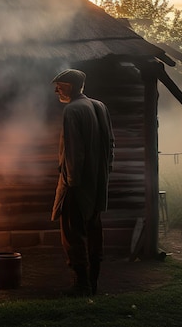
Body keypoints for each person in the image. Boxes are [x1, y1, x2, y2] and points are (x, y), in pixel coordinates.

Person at [50, 68, 114, 296]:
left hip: (76, 185)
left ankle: (82, 284)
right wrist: (104, 174)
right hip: (97, 183)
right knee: (94, 230)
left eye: (59, 85)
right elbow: (111, 145)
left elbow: (73, 151)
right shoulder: (100, 106)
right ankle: (93, 282)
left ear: (69, 86)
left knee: (72, 234)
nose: (56, 89)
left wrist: (70, 183)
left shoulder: (72, 110)